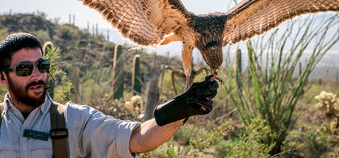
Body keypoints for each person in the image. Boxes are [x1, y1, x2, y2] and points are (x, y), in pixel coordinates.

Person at [0, 32, 218, 157]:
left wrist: (179, 110)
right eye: (24, 70)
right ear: (2, 77)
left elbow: (135, 139)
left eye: (42, 65)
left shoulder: (73, 120)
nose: (37, 75)